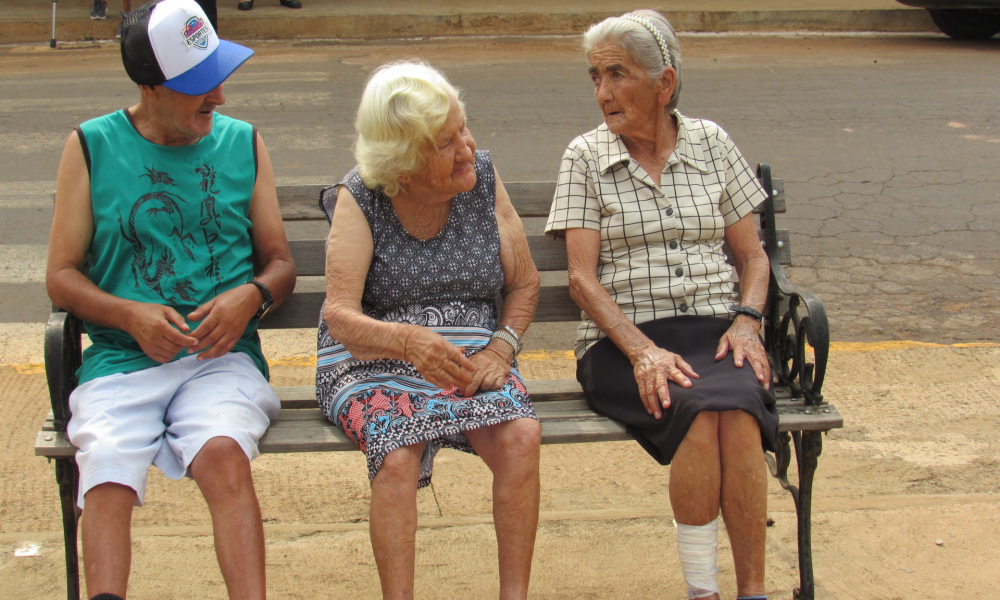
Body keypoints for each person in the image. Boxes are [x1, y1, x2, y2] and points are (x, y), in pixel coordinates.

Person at [46, 1, 296, 598]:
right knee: (106, 467)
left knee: (223, 455)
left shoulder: (243, 143)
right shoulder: (91, 146)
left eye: (219, 79)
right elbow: (61, 275)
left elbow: (281, 264)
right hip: (119, 357)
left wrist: (251, 297)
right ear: (151, 87)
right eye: (198, 88)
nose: (219, 99)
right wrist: (128, 314)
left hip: (220, 359)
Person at [544, 10, 778, 600]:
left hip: (718, 330)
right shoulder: (585, 157)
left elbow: (753, 258)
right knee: (698, 415)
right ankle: (704, 591)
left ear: (664, 83)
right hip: (623, 340)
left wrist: (748, 322)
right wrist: (643, 350)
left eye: (617, 75)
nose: (603, 93)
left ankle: (753, 590)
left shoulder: (713, 143)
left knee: (740, 412)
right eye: (594, 77)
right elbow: (581, 279)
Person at [317, 61, 542, 600]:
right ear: (405, 162)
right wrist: (406, 339)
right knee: (397, 453)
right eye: (445, 143)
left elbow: (525, 284)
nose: (466, 148)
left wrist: (501, 349)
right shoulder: (362, 195)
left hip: (470, 354)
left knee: (521, 436)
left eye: (463, 129)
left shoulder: (482, 178)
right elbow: (339, 315)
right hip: (371, 356)